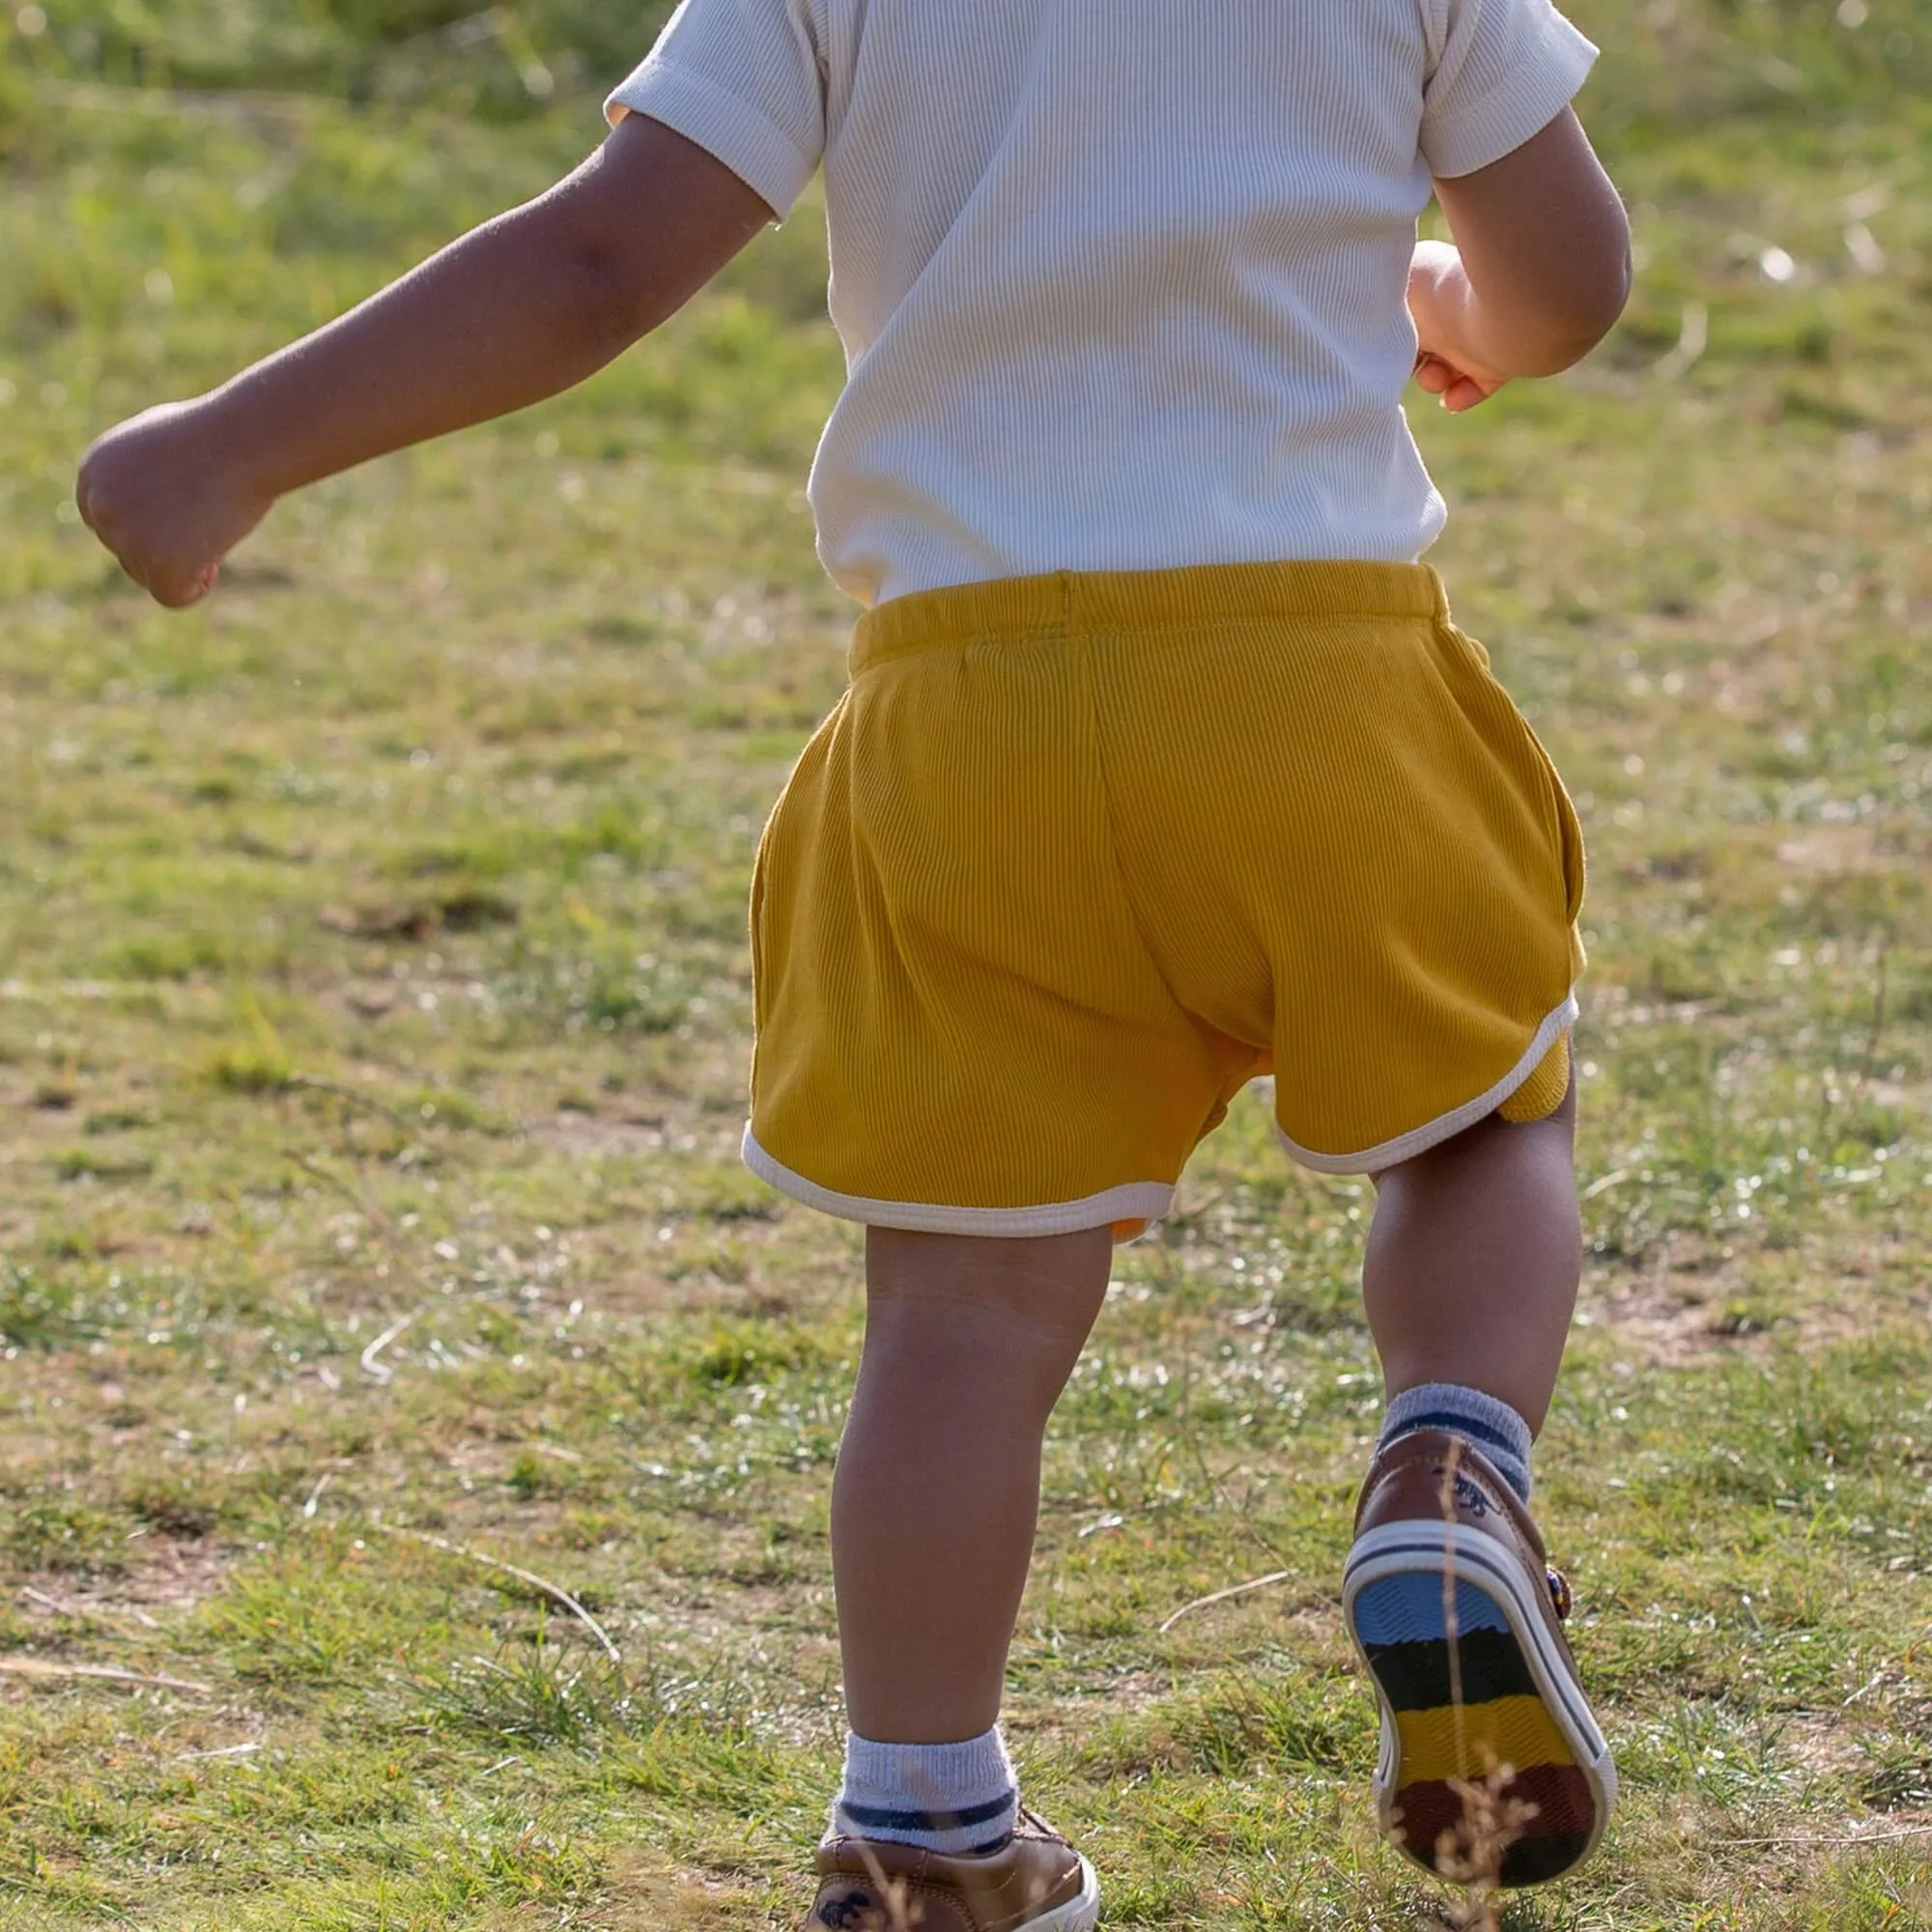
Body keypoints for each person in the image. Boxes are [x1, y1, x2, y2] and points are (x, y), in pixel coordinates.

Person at [77, 0, 1633, 1918]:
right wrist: (1452, 309)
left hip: (961, 720)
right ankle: (1449, 1483)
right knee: (1483, 1118)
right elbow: (1571, 276)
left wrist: (231, 445)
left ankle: (924, 1822)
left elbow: (594, 259)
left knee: (962, 1316)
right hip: (1314, 684)